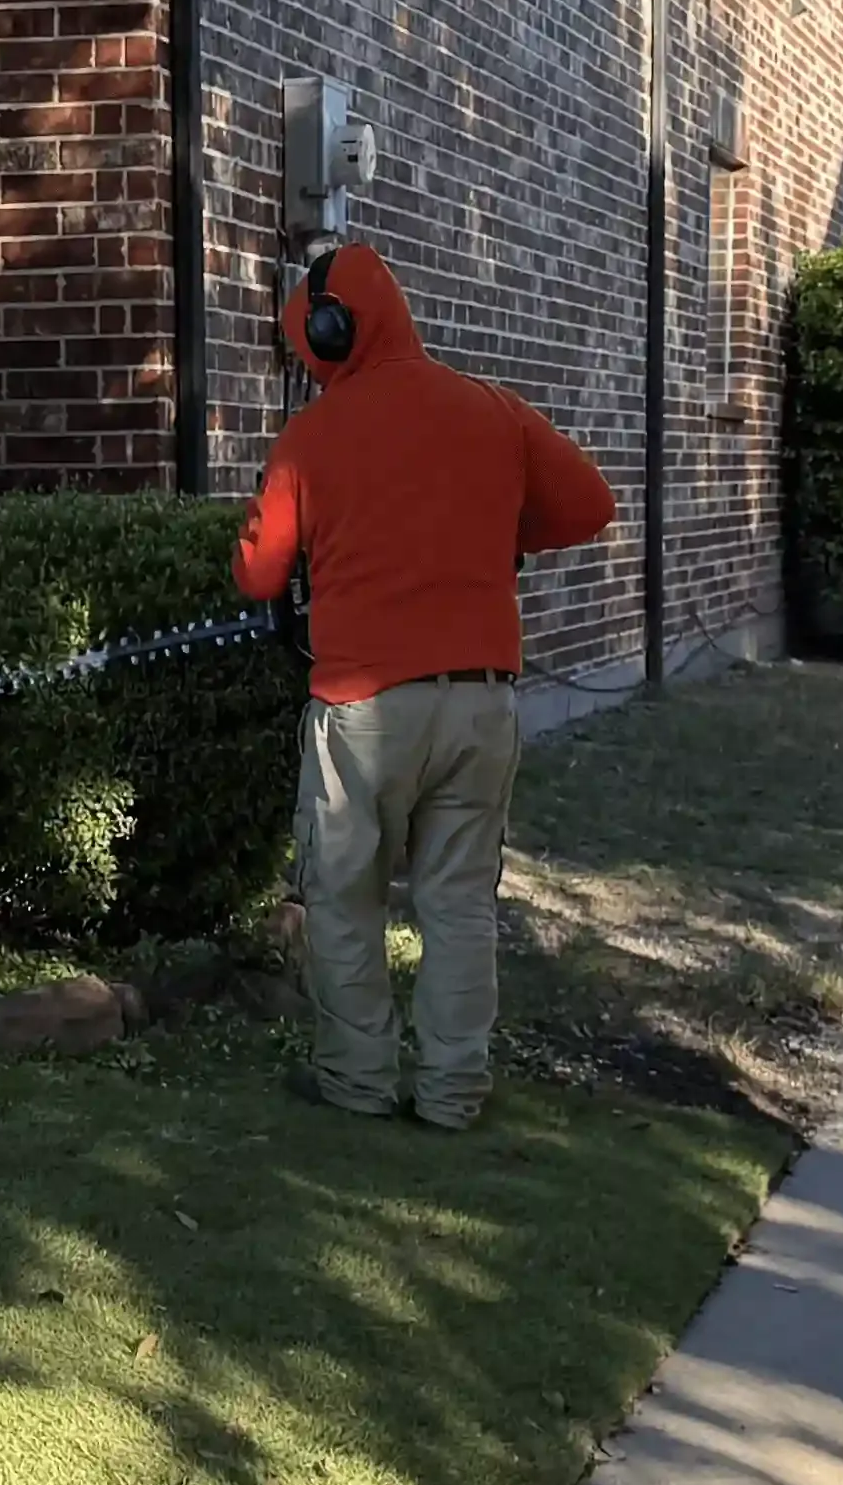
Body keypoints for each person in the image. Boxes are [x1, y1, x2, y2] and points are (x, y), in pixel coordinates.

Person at [230, 237, 618, 1130]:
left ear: (329, 332)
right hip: (481, 703)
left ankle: (358, 1083)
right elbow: (589, 504)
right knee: (458, 904)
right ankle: (452, 1094)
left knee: (344, 898)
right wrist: (498, 537)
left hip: (364, 707)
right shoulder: (491, 409)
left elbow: (258, 573)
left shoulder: (313, 435)